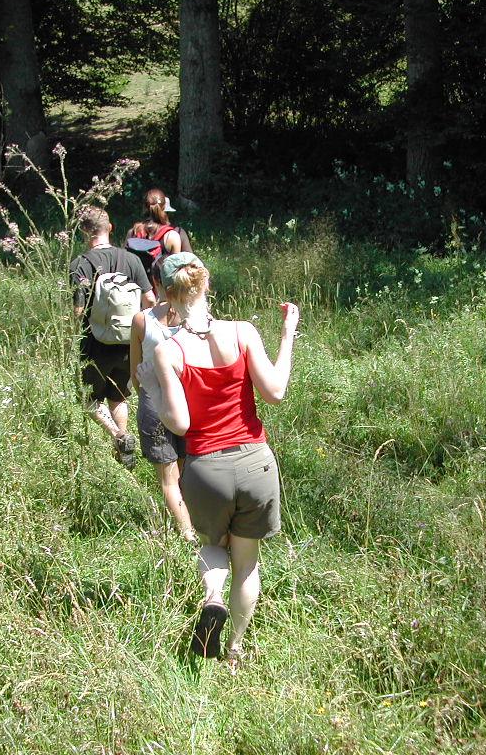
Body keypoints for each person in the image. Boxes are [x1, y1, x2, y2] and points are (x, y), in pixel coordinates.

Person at [138, 252, 300, 667]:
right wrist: (287, 335)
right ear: (206, 285)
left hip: (206, 469)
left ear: (167, 297)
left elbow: (179, 423)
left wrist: (152, 390)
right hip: (255, 463)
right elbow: (276, 392)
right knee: (246, 564)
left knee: (214, 546)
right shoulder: (242, 332)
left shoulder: (168, 350)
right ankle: (235, 649)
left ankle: (213, 600)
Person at [69, 207, 156, 468]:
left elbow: (78, 311)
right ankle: (122, 448)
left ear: (84, 232)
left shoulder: (80, 264)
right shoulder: (132, 260)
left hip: (95, 344)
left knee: (89, 397)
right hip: (129, 343)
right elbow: (150, 299)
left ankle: (118, 436)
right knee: (118, 396)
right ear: (111, 228)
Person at [129, 255, 197, 543]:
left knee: (168, 479)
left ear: (156, 284)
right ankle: (198, 529)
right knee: (186, 473)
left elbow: (135, 376)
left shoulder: (142, 320)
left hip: (153, 404)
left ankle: (187, 536)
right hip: (188, 402)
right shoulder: (196, 322)